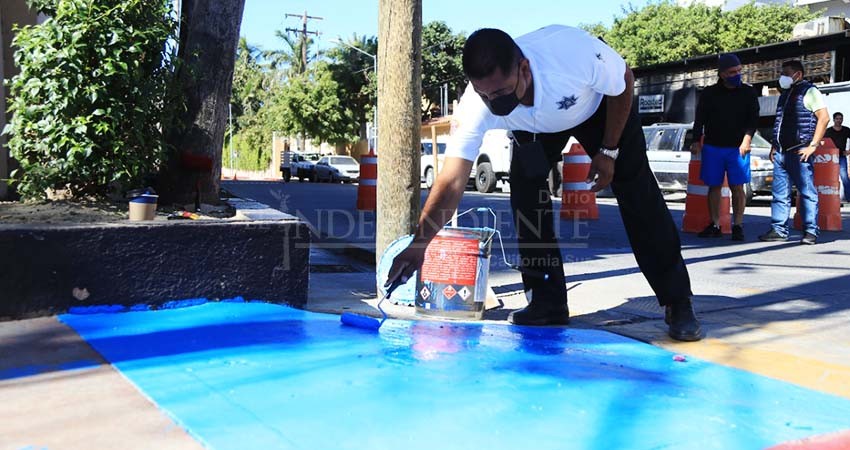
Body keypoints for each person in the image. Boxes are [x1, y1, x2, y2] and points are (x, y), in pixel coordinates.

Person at [385, 26, 702, 341]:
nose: (495, 102)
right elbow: (452, 181)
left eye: (501, 92)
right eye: (486, 95)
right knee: (527, 201)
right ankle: (547, 303)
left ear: (523, 68)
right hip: (534, 131)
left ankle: (677, 301)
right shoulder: (475, 104)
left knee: (638, 194)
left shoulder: (570, 54)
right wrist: (420, 243)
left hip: (597, 110)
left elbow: (623, 82)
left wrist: (608, 151)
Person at [759, 60, 829, 245]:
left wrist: (813, 146)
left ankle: (811, 231)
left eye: (786, 73)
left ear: (798, 74)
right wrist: (775, 146)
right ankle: (779, 230)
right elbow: (780, 122)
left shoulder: (810, 91)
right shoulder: (786, 94)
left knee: (807, 193)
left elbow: (824, 118)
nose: (782, 76)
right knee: (780, 194)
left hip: (799, 152)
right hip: (782, 152)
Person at [691, 53, 760, 241]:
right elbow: (700, 120)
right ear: (722, 74)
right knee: (714, 186)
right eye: (732, 72)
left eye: (739, 71)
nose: (737, 74)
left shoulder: (748, 92)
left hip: (738, 148)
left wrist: (747, 139)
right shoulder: (709, 93)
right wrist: (696, 140)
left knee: (738, 187)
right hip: (713, 146)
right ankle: (715, 224)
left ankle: (737, 225)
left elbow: (753, 119)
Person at [824, 112, 850, 203]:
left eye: (841, 118)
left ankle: (849, 198)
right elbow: (823, 143)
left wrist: (849, 151)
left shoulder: (846, 130)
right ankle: (831, 199)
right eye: (837, 119)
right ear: (834, 119)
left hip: (842, 157)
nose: (839, 120)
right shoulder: (828, 131)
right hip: (830, 158)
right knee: (831, 179)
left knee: (844, 177)